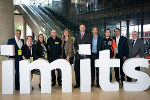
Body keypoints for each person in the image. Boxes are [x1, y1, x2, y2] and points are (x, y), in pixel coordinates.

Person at [74, 24, 91, 88]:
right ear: (79, 28)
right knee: (76, 69)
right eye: (81, 27)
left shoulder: (88, 36)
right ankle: (78, 83)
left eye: (83, 27)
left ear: (85, 28)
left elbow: (89, 44)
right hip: (78, 56)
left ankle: (84, 83)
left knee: (85, 70)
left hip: (85, 56)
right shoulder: (77, 36)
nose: (82, 28)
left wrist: (84, 52)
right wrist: (78, 50)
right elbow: (75, 45)